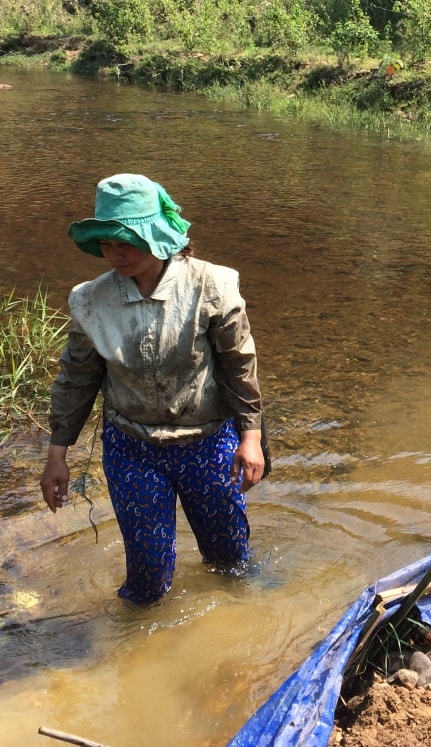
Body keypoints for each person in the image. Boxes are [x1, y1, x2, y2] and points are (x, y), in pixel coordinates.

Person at [40, 174, 267, 605]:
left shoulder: (210, 286)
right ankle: (136, 646)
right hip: (133, 447)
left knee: (230, 558)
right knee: (148, 577)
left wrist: (251, 437)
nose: (114, 253)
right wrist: (57, 455)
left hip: (207, 440)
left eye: (125, 241)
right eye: (106, 242)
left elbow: (240, 364)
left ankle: (244, 625)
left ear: (156, 236)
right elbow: (76, 378)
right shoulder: (92, 300)